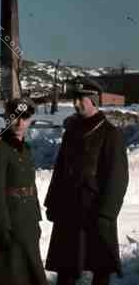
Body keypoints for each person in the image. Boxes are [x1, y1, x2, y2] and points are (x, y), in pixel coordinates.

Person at [44, 77, 129, 285]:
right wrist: (53, 202)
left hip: (95, 212)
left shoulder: (110, 134)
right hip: (69, 212)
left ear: (94, 100)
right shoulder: (71, 132)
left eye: (81, 99)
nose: (76, 104)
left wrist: (106, 214)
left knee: (100, 269)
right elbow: (60, 172)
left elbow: (117, 178)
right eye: (75, 99)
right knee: (66, 269)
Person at [0, 97, 48, 285]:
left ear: (30, 120)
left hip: (27, 221)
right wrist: (3, 228)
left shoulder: (25, 149)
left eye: (25, 118)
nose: (20, 123)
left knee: (32, 272)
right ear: (6, 118)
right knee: (13, 275)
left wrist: (36, 218)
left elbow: (31, 185)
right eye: (14, 117)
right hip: (11, 224)